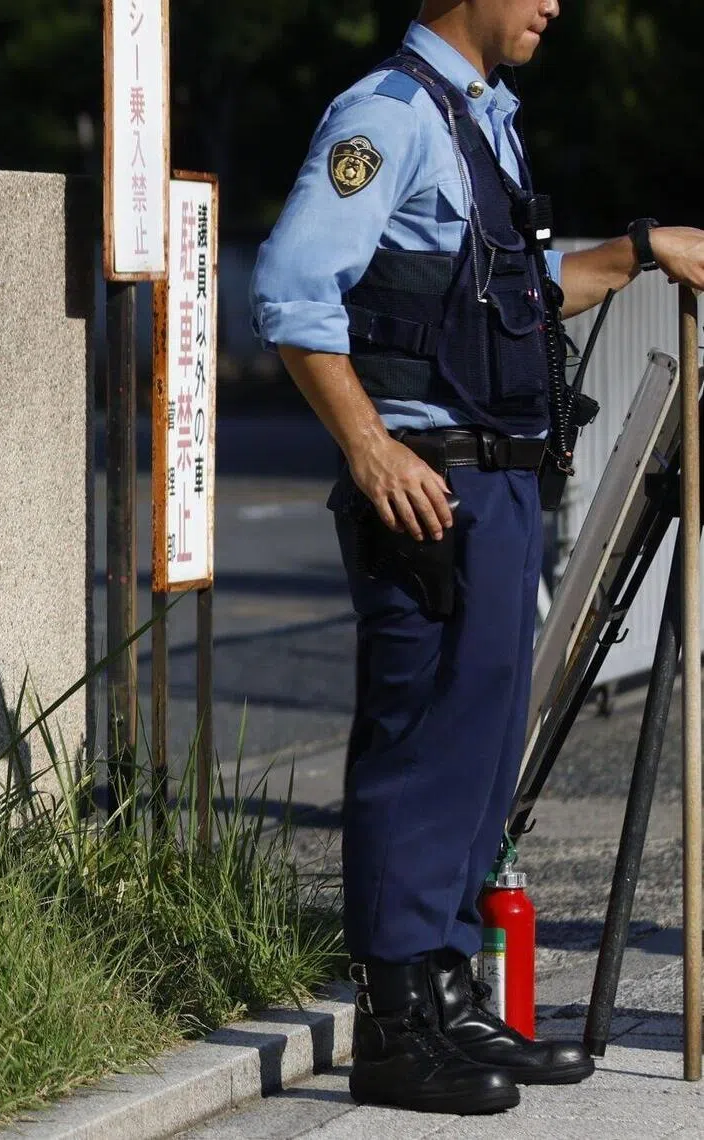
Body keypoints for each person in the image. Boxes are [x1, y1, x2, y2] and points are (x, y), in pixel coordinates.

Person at [250, 0, 704, 1117]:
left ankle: (449, 992)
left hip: (500, 481)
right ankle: (398, 1027)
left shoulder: (482, 120)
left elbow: (513, 293)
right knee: (421, 752)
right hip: (432, 486)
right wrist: (367, 447)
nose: (554, 4)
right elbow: (292, 291)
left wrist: (642, 251)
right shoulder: (387, 117)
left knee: (482, 746)